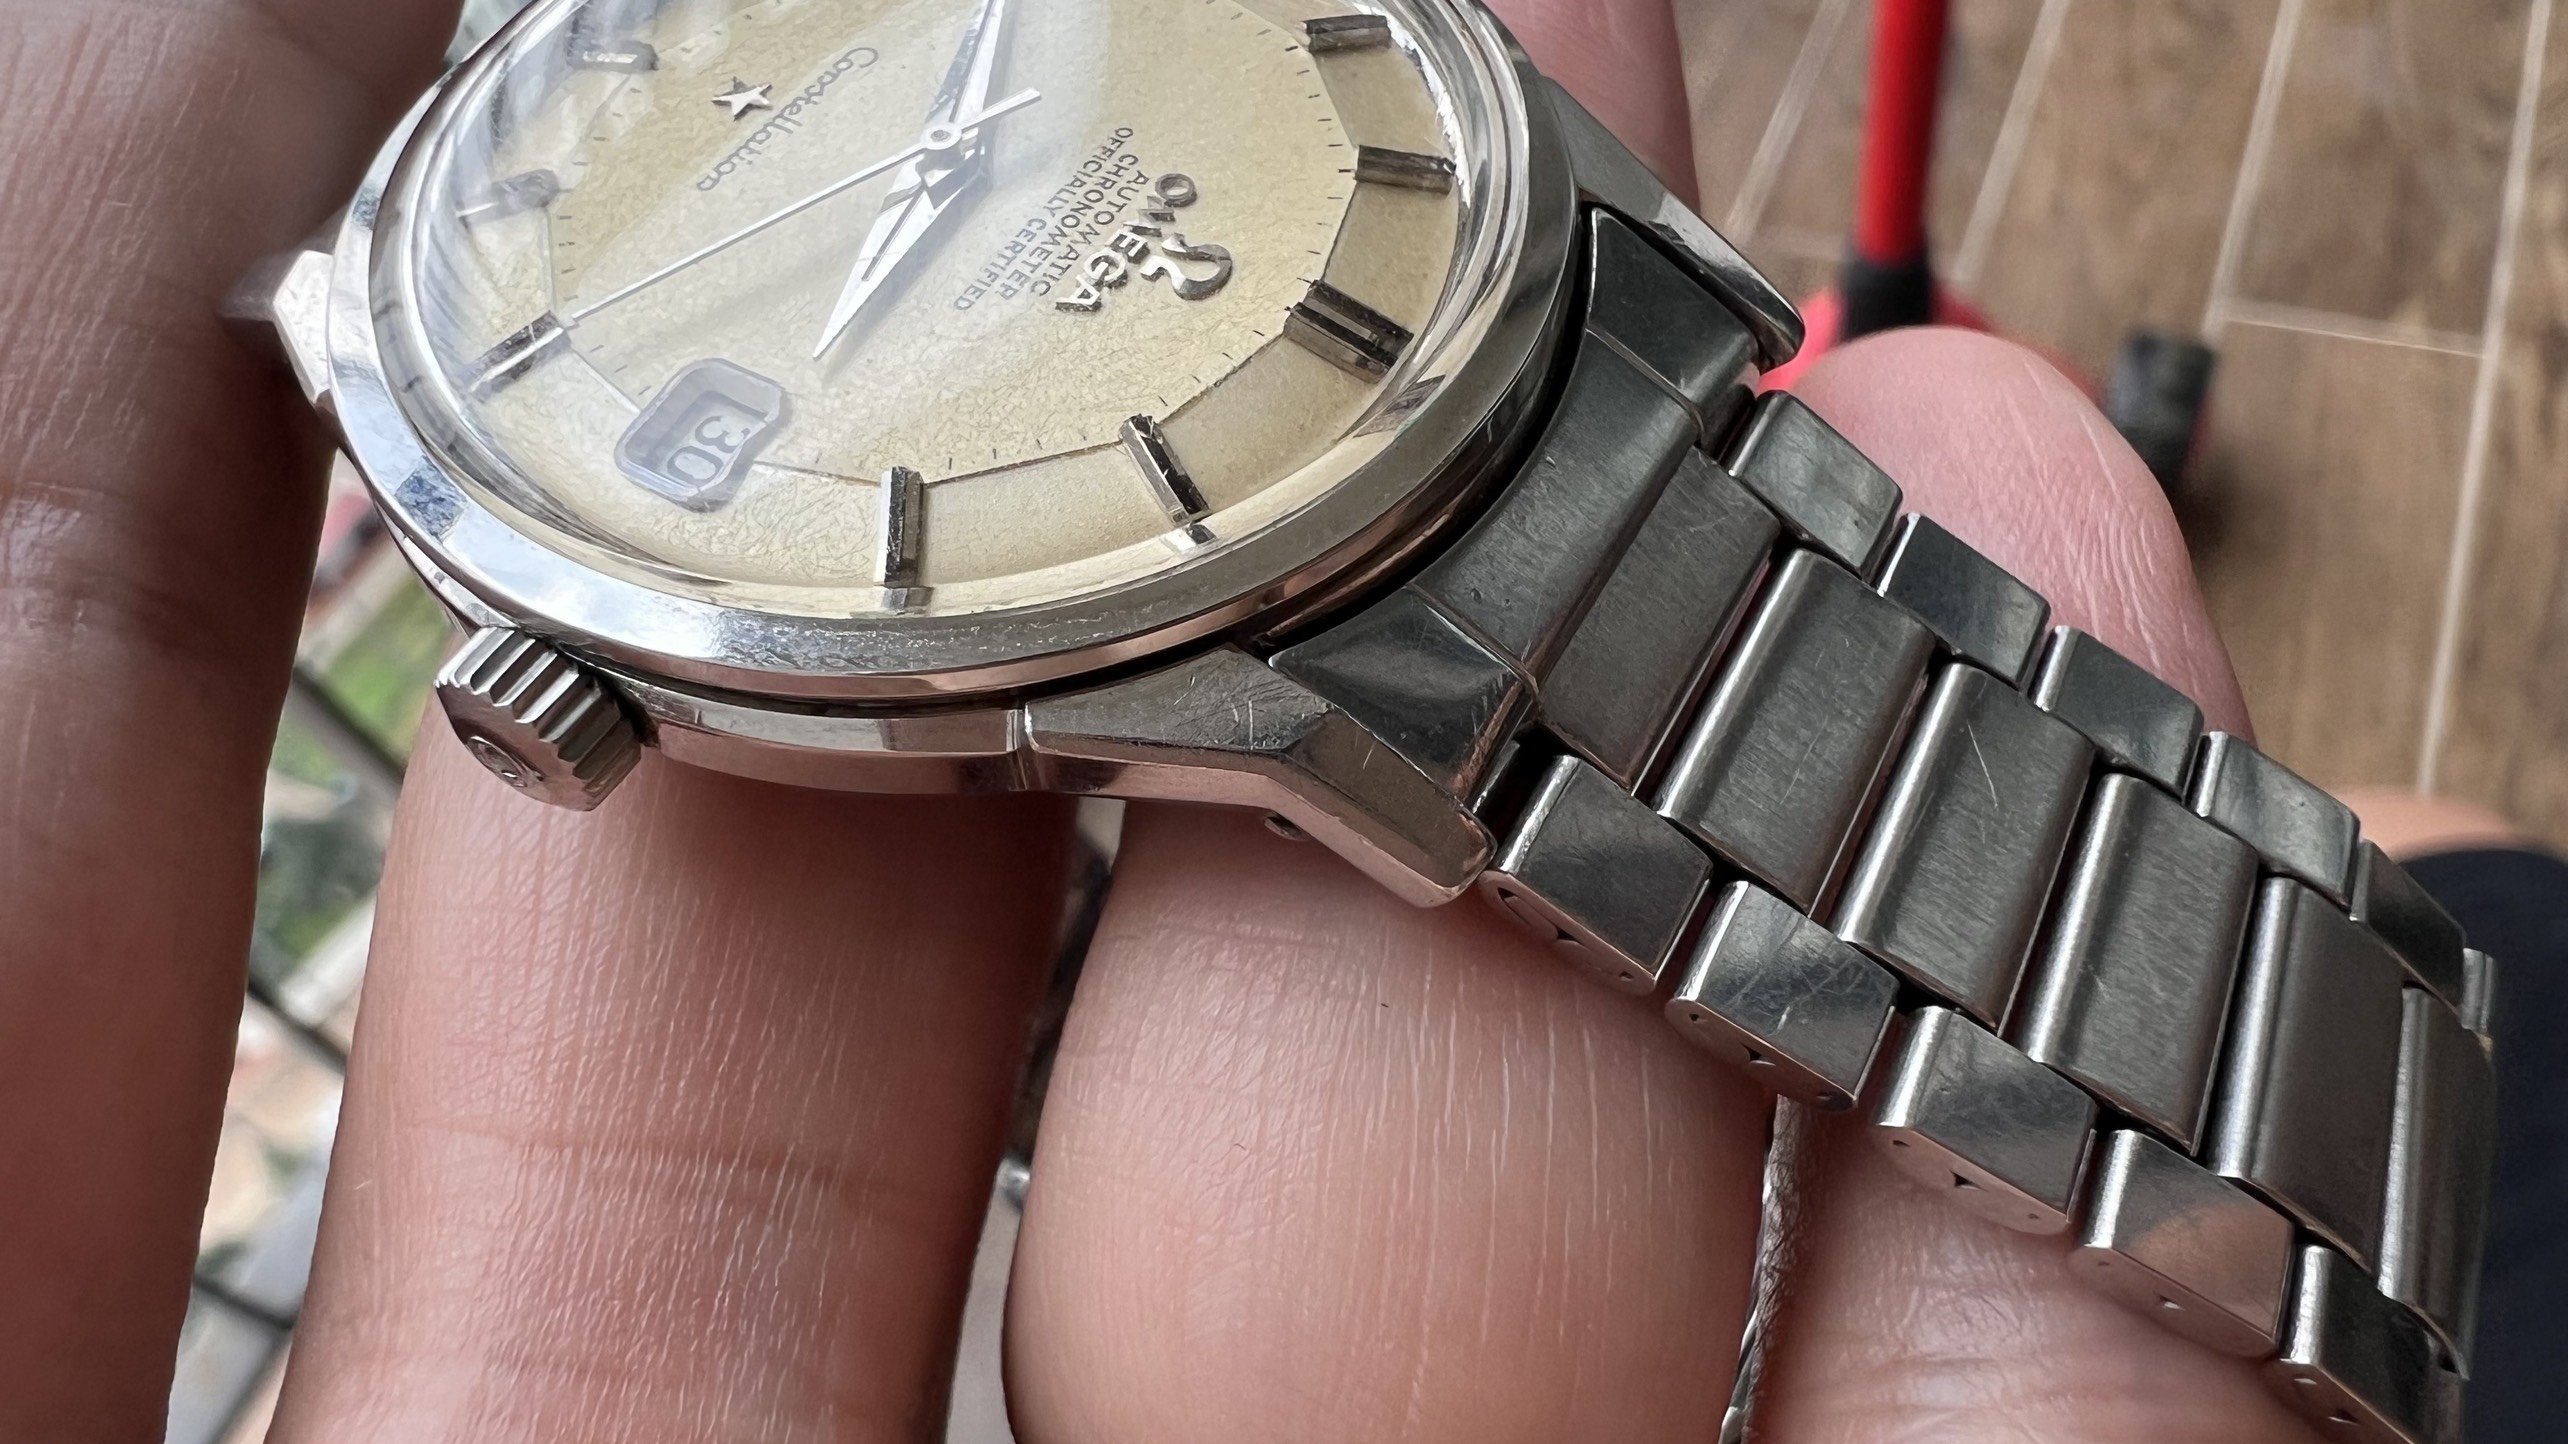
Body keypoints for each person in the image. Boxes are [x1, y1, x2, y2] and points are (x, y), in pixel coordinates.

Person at [0, 0, 2552, 1438]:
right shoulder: (508, 430)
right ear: (560, 698)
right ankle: (2402, 1075)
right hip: (1338, 599)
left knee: (2366, 873)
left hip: (1502, 311)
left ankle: (2383, 1061)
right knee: (2433, 882)